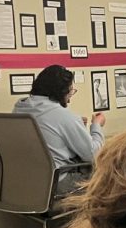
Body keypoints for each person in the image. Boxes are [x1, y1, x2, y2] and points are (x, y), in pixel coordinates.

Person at [13, 64, 104, 194]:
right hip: (55, 184)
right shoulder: (62, 116)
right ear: (61, 92)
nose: (70, 97)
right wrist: (96, 126)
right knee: (111, 175)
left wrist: (75, 125)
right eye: (70, 91)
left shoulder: (20, 107)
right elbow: (93, 155)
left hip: (24, 183)